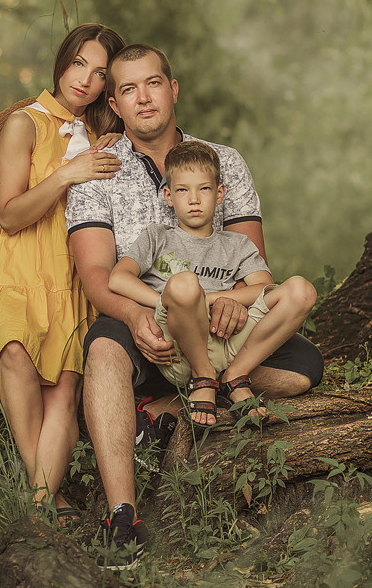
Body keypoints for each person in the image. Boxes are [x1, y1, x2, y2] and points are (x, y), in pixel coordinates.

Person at [66, 44, 324, 570]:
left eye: (153, 83)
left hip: (219, 323)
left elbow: (252, 259)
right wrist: (138, 315)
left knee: (303, 370)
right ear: (114, 103)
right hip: (149, 318)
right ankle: (123, 514)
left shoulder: (223, 160)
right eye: (129, 90)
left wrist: (229, 300)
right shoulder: (97, 169)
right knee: (105, 351)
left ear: (173, 88)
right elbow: (96, 273)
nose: (144, 98)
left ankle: (173, 400)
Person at [0, 23, 126, 525]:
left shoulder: (100, 135)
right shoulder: (23, 123)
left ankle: (39, 504)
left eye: (99, 74)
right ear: (62, 60)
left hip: (69, 270)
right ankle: (47, 498)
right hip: (15, 260)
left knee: (65, 389)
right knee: (14, 354)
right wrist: (68, 173)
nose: (85, 80)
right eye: (79, 64)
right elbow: (8, 214)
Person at [109, 140, 311, 429]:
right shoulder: (158, 237)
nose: (193, 199)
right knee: (184, 284)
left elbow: (264, 288)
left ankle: (234, 377)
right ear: (168, 196)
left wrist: (212, 299)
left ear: (219, 194)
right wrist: (176, 302)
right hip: (179, 347)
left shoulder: (236, 244)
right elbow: (118, 278)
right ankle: (202, 376)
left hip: (228, 341)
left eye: (203, 189)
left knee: (300, 290)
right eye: (182, 190)